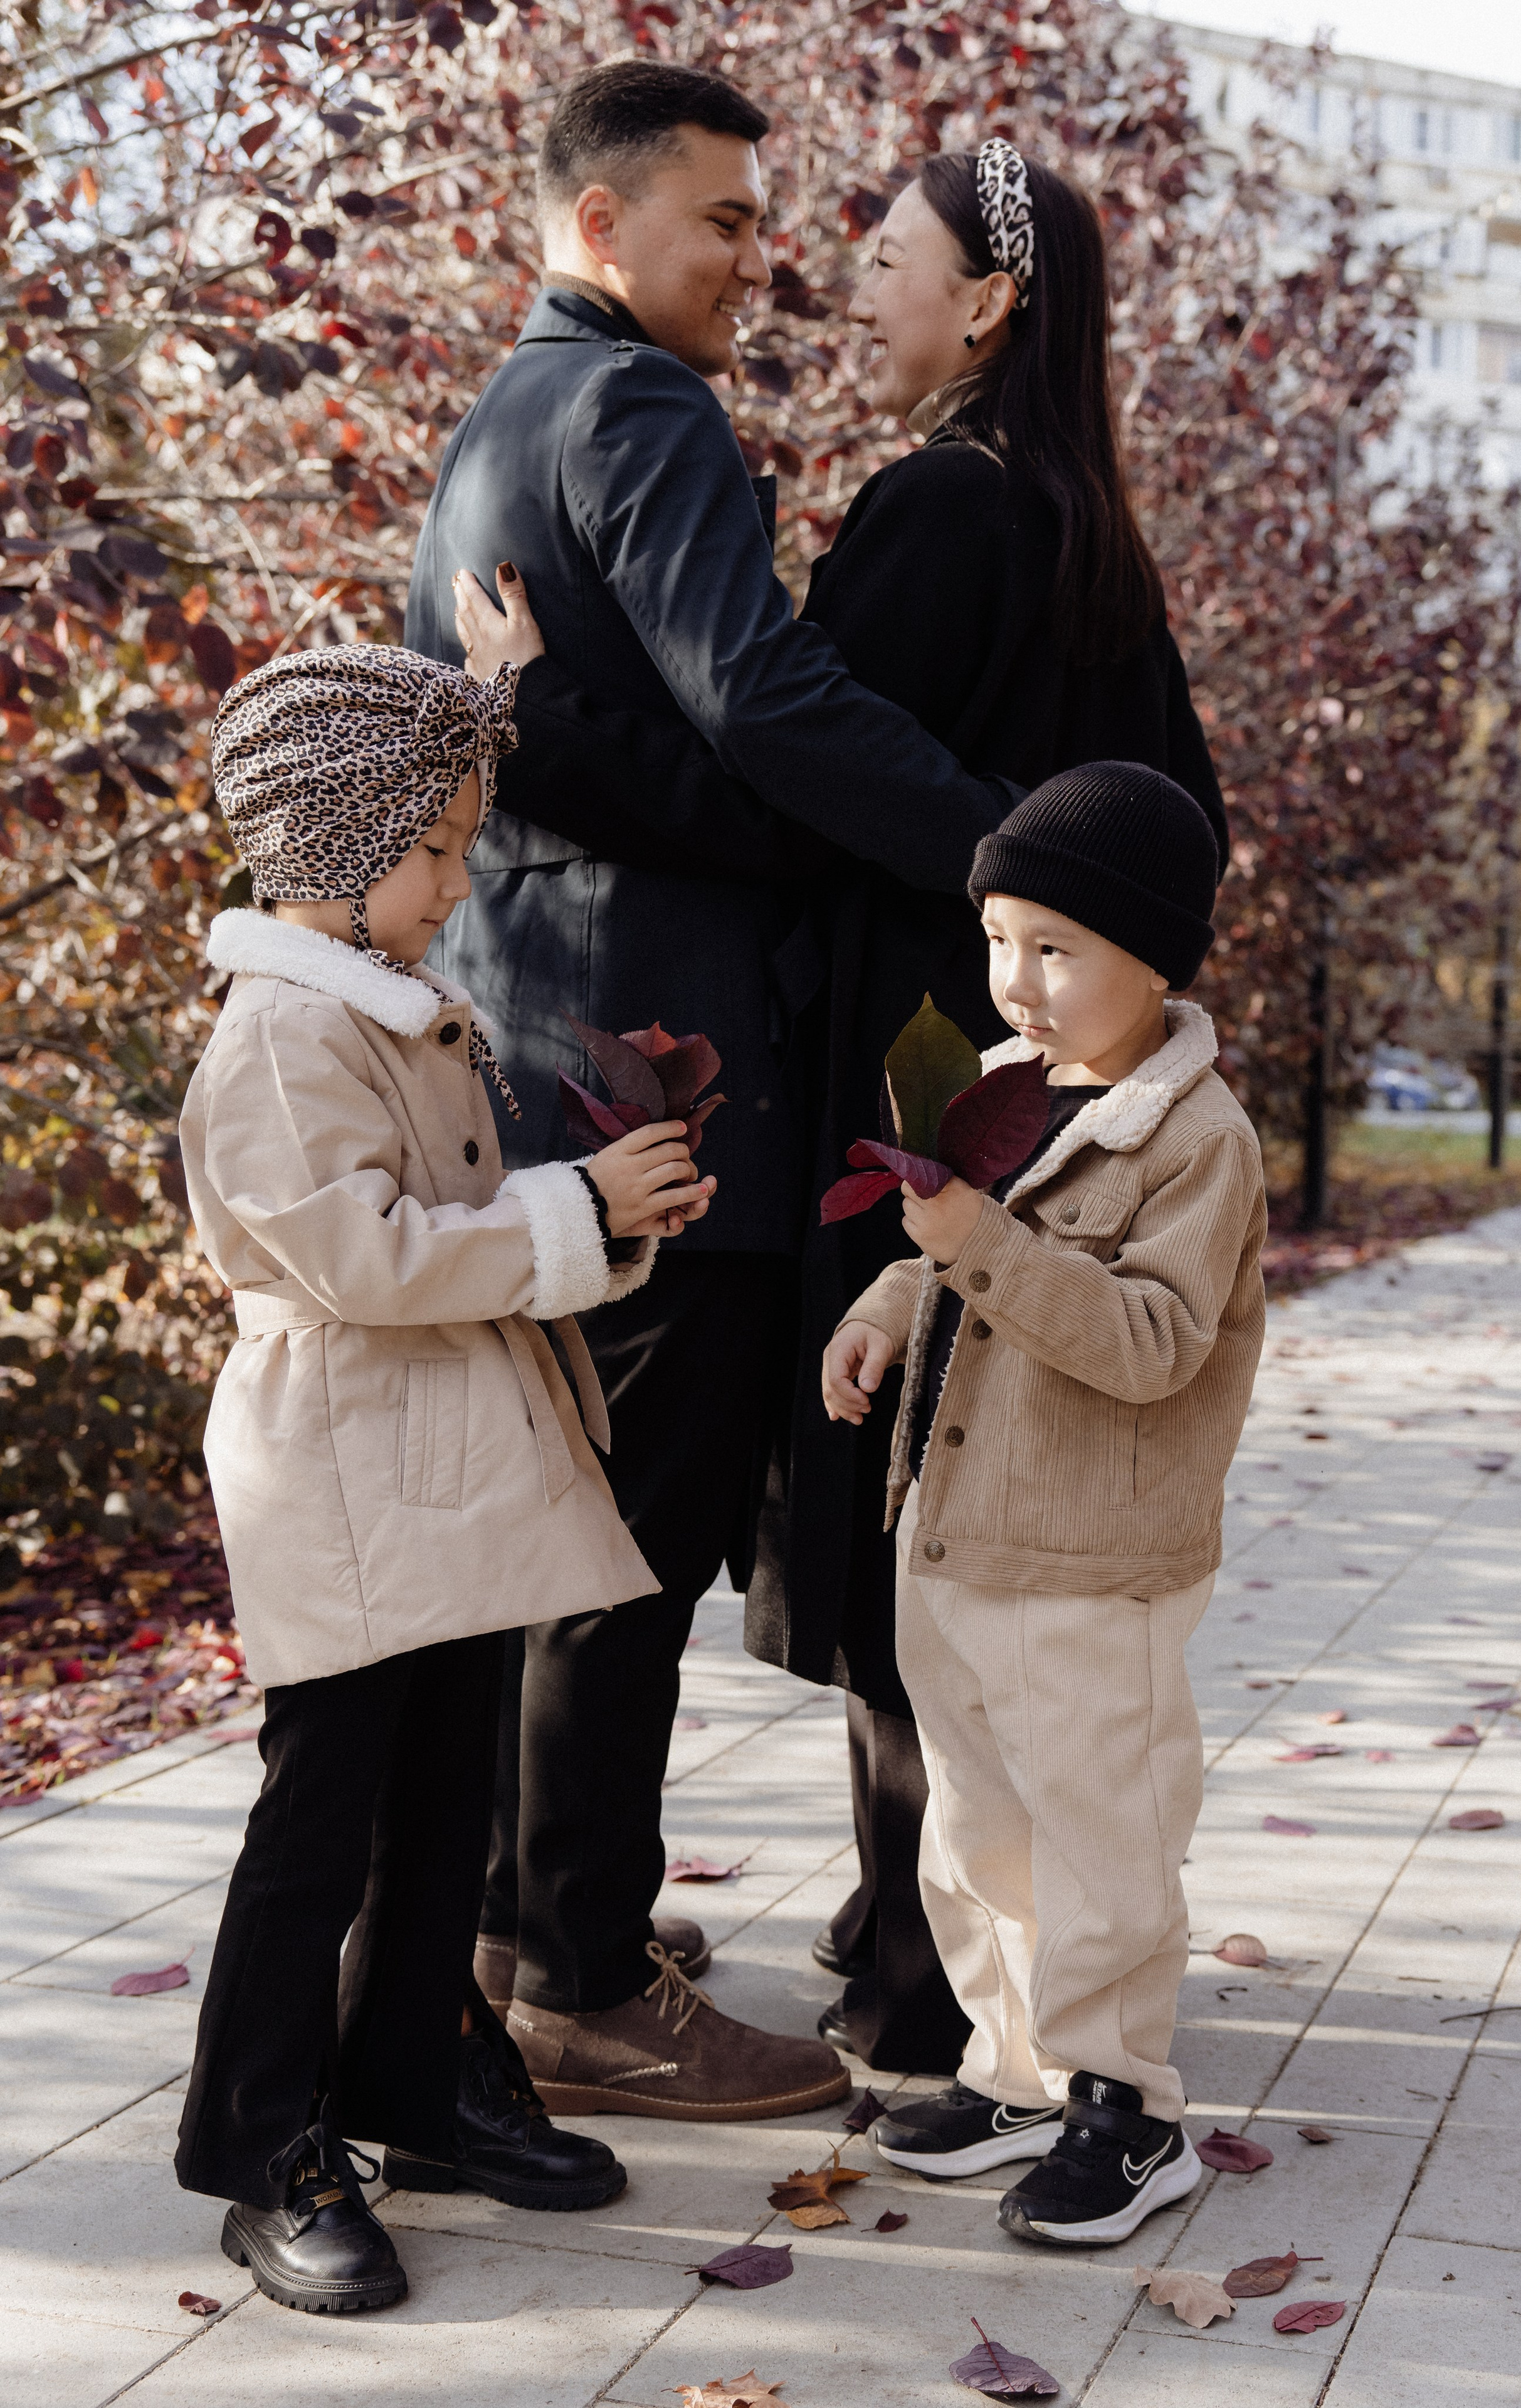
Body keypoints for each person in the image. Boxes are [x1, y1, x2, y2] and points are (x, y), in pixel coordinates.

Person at [450, 137, 1226, 2076]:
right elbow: (1177, 823)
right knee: (977, 1484)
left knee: (904, 1506)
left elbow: (788, 776)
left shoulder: (938, 514)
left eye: (885, 259)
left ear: (986, 306)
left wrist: (546, 723)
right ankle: (895, 1937)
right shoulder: (1091, 530)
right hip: (1050, 1071)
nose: (840, 286)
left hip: (913, 1077)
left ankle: (902, 1974)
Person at [406, 59, 1024, 2120]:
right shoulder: (635, 405)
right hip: (654, 1072)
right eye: (731, 222)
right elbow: (759, 696)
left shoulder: (497, 425)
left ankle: (523, 1918)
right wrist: (987, 849)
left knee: (561, 1519)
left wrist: (608, 760)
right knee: (627, 1541)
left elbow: (569, 747)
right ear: (604, 227)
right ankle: (577, 1978)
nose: (762, 262)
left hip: (534, 1040)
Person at [173, 646, 715, 2314]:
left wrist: (594, 1214)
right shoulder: (280, 1038)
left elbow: (447, 1238)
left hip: (440, 1465)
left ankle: (407, 2075)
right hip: (346, 1471)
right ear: (340, 853)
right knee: (321, 1817)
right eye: (439, 850)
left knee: (442, 1804)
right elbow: (361, 1255)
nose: (460, 880)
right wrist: (575, 1213)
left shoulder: (387, 1010)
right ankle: (260, 2141)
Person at [823, 764, 1265, 2246]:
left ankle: (1124, 2106)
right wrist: (891, 1295)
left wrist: (963, 1243)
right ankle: (1013, 2072)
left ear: (1155, 959)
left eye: (1056, 946)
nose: (1014, 979)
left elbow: (1141, 1339)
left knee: (1098, 1837)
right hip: (955, 1539)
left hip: (1089, 1563)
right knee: (974, 1829)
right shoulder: (1021, 1099)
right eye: (1000, 939)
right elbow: (967, 1249)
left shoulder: (1190, 1141)